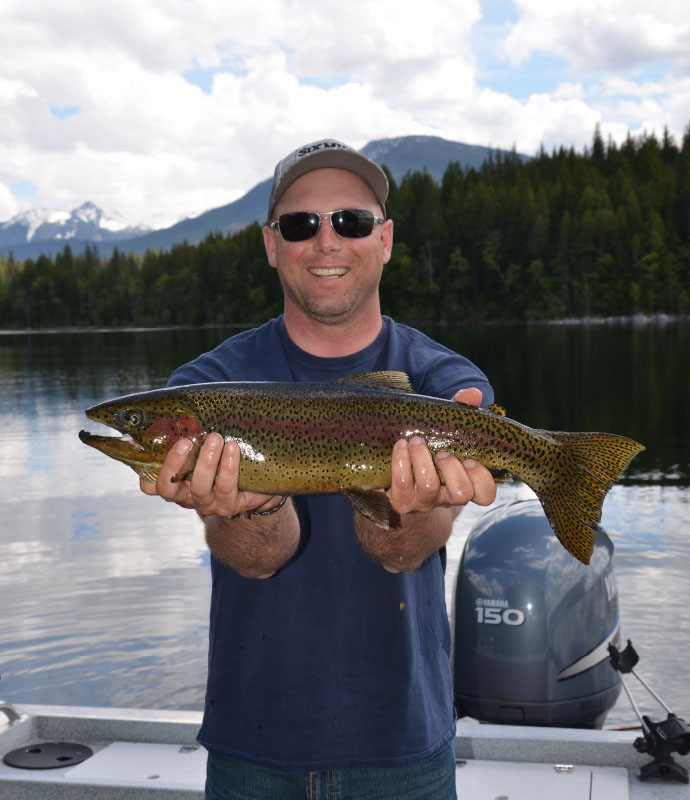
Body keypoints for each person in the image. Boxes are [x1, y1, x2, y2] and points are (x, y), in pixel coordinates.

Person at [141, 138, 497, 799]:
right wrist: (255, 503)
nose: (327, 242)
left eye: (351, 222)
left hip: (403, 747)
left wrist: (418, 507)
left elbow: (399, 553)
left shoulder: (440, 385)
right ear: (272, 245)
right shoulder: (209, 385)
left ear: (384, 240)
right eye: (302, 224)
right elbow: (256, 559)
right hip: (252, 747)